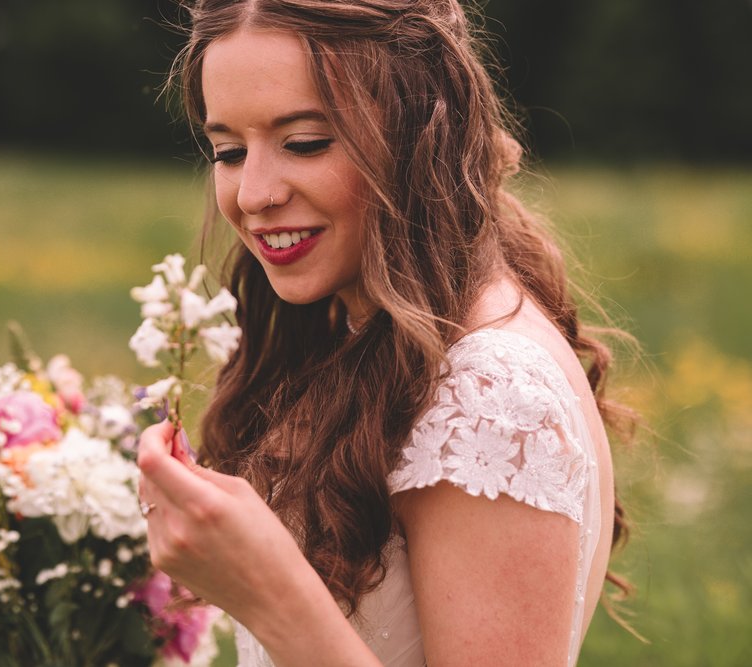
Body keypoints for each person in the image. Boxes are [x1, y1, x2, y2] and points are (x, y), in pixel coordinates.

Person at [137, 1, 633, 665]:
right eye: (227, 150)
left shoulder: (490, 393)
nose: (252, 194)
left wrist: (271, 594)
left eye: (305, 142)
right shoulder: (358, 332)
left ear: (420, 134)